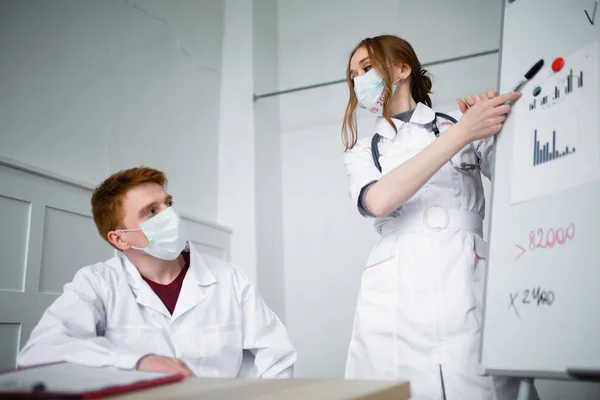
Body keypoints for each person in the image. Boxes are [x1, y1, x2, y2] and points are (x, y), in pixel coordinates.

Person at [341, 35, 539, 399]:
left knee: (482, 386)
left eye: (366, 69)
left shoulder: (460, 125)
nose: (358, 82)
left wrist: (502, 123)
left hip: (466, 277)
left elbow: (523, 178)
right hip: (396, 288)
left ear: (402, 69)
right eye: (353, 76)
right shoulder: (362, 151)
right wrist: (464, 131)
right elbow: (380, 200)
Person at [18, 167, 296, 378]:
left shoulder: (230, 279)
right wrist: (138, 361)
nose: (169, 215)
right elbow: (39, 350)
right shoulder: (97, 283)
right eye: (151, 211)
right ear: (119, 239)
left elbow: (277, 358)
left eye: (168, 204)